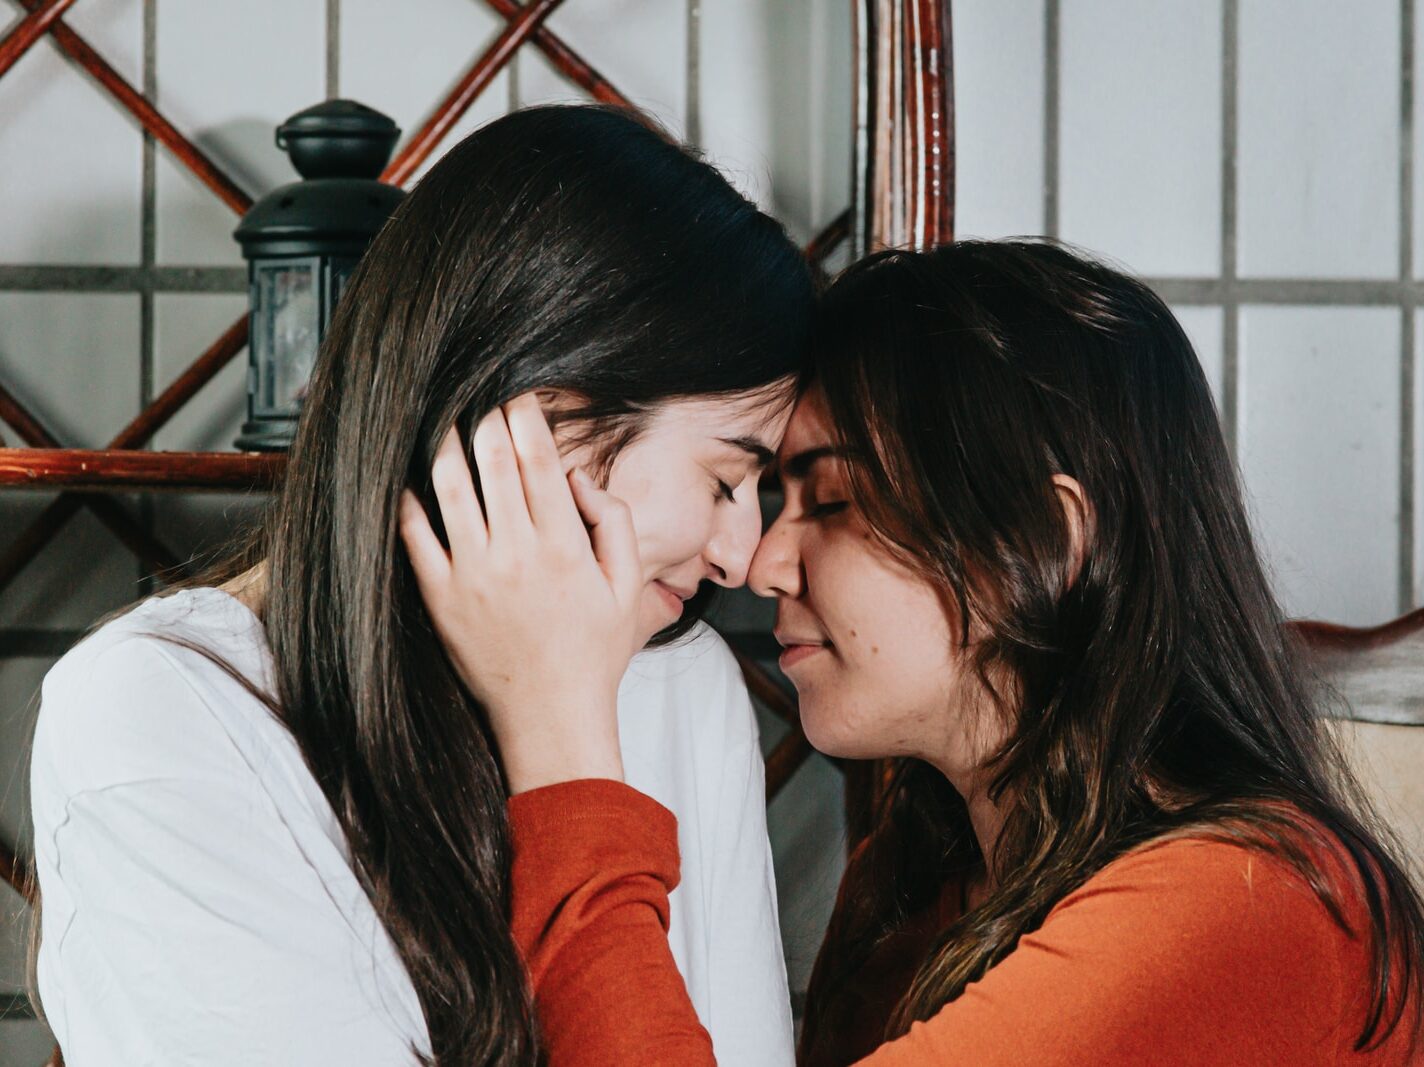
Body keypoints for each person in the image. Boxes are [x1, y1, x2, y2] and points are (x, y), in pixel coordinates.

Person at [403, 240, 1424, 1065]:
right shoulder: (920, 881)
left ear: (1040, 537)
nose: (759, 563)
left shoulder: (1241, 909)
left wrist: (557, 734)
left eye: (832, 500)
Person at [28, 105, 811, 1067]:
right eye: (728, 480)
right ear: (537, 422)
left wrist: (562, 736)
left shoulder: (682, 684)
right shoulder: (160, 711)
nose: (743, 558)